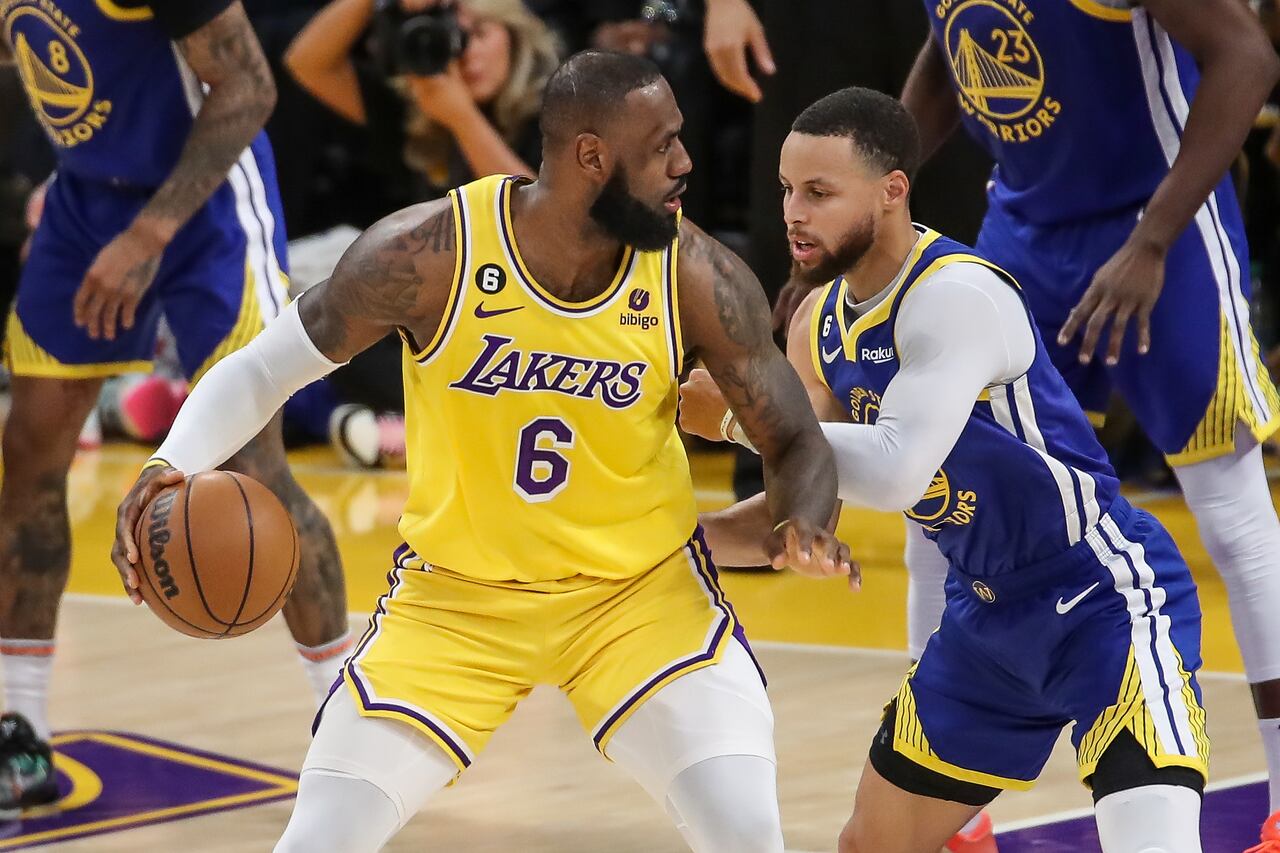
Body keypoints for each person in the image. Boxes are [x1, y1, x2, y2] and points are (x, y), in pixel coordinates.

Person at [111, 51, 852, 852]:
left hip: (637, 600)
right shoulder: (429, 254)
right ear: (591, 157)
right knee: (317, 840)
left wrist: (806, 522)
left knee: (747, 832)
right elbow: (262, 369)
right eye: (662, 144)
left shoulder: (696, 275)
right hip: (456, 604)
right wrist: (166, 467)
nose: (685, 162)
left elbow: (795, 441)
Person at [683, 87, 1210, 853]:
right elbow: (804, 493)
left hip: (1101, 598)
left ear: (893, 189)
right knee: (868, 844)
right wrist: (670, 539)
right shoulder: (817, 322)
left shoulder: (955, 294)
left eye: (820, 193)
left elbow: (894, 469)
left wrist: (736, 416)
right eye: (787, 190)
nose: (795, 212)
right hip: (986, 620)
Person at [892, 0, 1280, 843]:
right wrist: (879, 177)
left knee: (1232, 514)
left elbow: (1247, 55)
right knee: (941, 500)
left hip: (1156, 224)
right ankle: (956, 820)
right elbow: (948, 41)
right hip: (1025, 229)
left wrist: (1153, 239)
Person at [0, 0, 351, 812]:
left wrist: (148, 233)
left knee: (255, 466)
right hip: (86, 198)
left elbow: (251, 86)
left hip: (204, 209)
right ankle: (21, 725)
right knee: (30, 450)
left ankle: (348, 722)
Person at [285, 0, 558, 206]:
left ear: (514, 34)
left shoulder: (559, 108)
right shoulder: (420, 103)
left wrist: (463, 120)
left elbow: (545, 217)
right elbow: (307, 63)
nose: (467, 53)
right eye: (449, 39)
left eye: (479, 33)